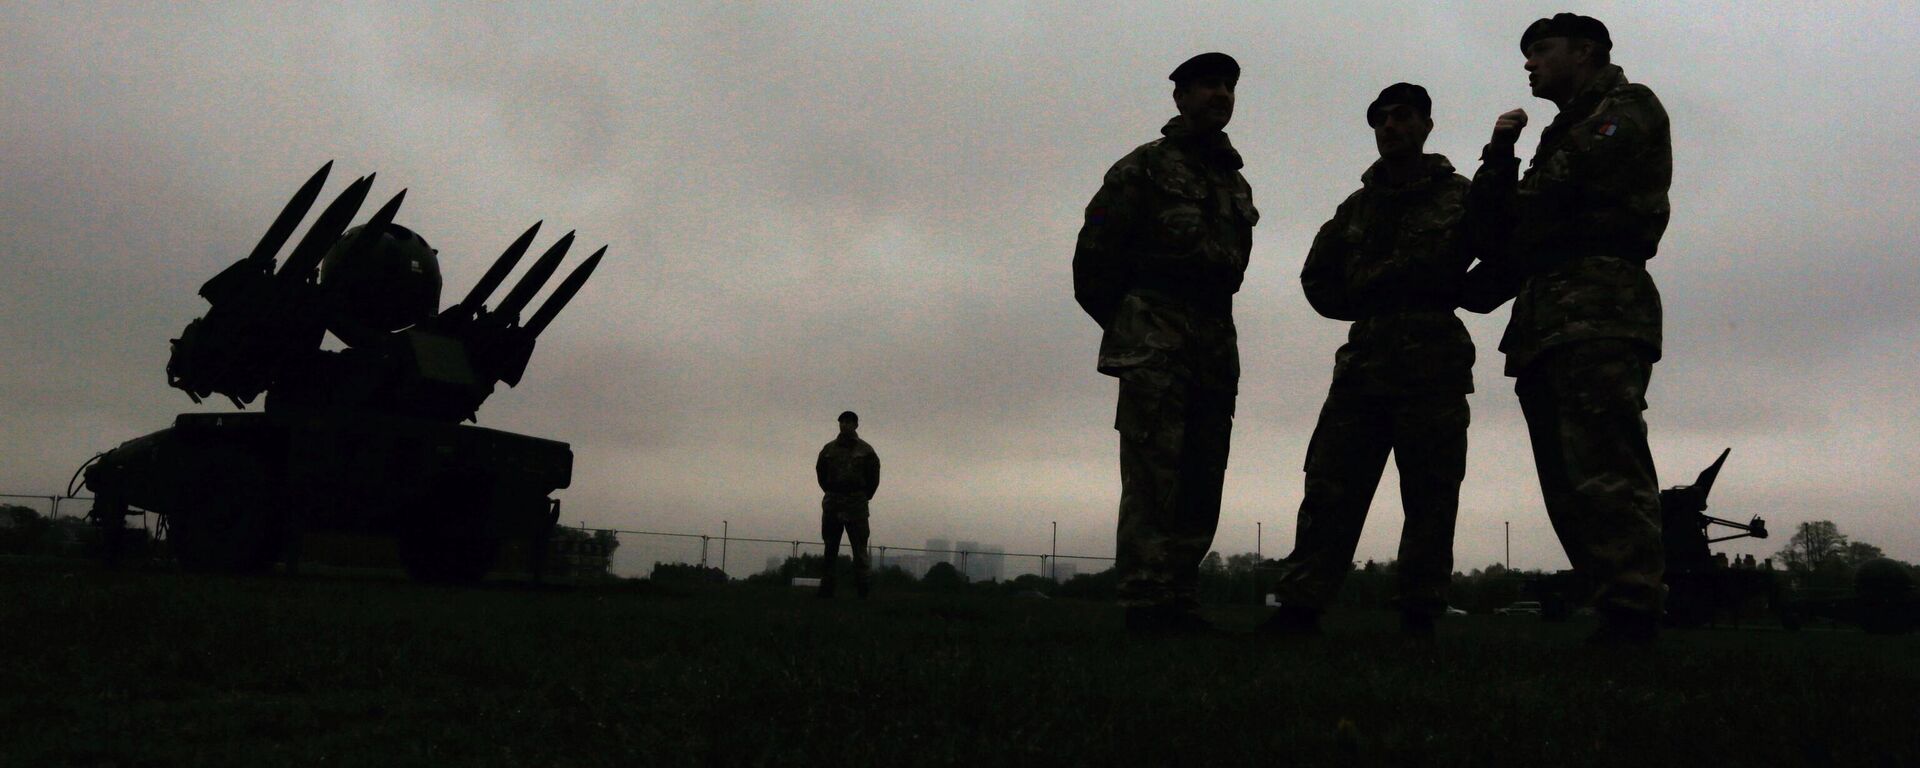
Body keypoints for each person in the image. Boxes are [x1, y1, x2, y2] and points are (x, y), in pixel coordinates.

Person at [1461, 13, 1672, 644]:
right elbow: (1491, 227)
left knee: (1607, 464)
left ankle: (1633, 608)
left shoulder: (1626, 108)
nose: (1529, 64)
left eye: (1540, 51)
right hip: (1548, 315)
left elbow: (1542, 201)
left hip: (1598, 307)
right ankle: (1613, 603)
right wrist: (1499, 154)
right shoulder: (1561, 130)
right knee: (1566, 476)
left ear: (1586, 52)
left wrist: (1506, 212)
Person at [1263, 83, 1478, 638]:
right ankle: (1300, 607)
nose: (1390, 127)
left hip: (1434, 359)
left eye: (1402, 117)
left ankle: (1420, 613)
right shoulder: (1357, 206)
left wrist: (1457, 292)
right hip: (1365, 364)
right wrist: (1369, 301)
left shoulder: (1460, 194)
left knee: (1430, 494)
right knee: (1331, 486)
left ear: (1427, 125)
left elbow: (1503, 254)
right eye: (1380, 120)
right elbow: (1316, 277)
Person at [1073, 52, 1258, 633]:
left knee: (1205, 474)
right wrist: (1136, 324)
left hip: (1214, 340)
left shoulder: (1234, 183)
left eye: (1228, 85)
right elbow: (1093, 265)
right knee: (1154, 474)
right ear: (1179, 97)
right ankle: (1145, 600)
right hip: (1156, 336)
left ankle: (1180, 594)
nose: (1220, 94)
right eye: (1207, 84)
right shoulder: (1144, 168)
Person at [815, 410, 879, 598]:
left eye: (849, 422)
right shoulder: (828, 450)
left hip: (856, 505)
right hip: (833, 503)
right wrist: (831, 491)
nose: (845, 425)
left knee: (859, 549)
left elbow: (874, 477)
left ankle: (863, 588)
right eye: (842, 421)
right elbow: (821, 473)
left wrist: (863, 496)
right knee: (830, 547)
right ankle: (827, 587)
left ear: (856, 425)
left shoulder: (866, 451)